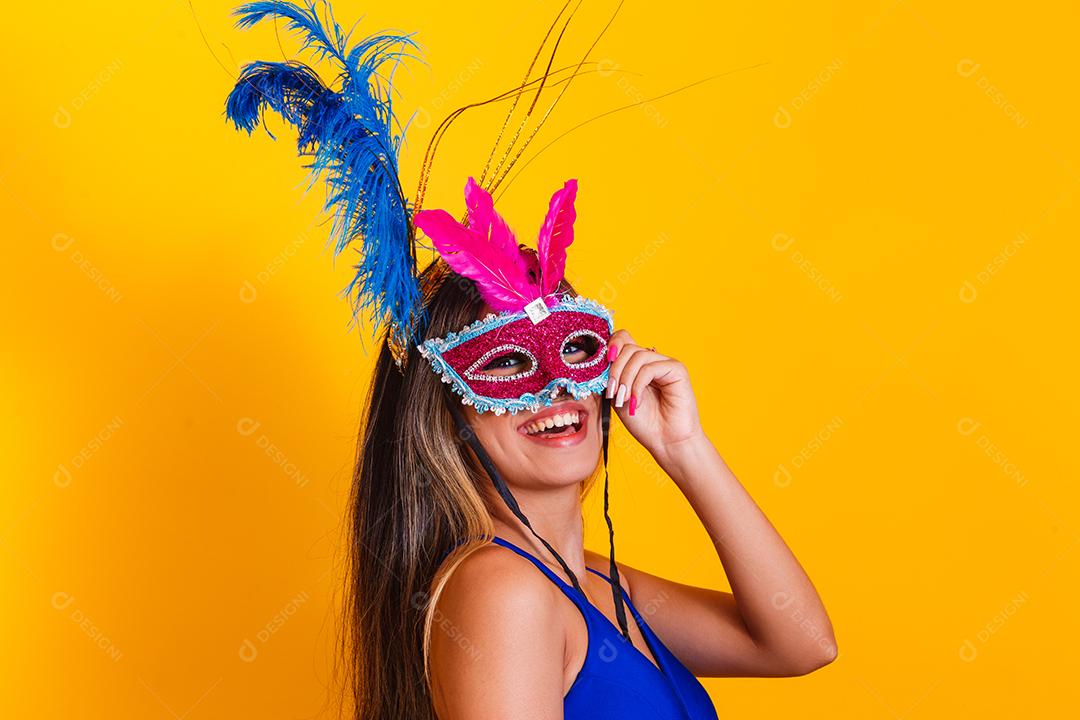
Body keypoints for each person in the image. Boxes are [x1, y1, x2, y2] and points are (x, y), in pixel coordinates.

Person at [224, 2, 836, 718]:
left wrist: (684, 447)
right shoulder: (502, 591)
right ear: (444, 412)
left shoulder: (598, 588)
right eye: (509, 365)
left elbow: (800, 643)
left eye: (575, 349)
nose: (552, 385)